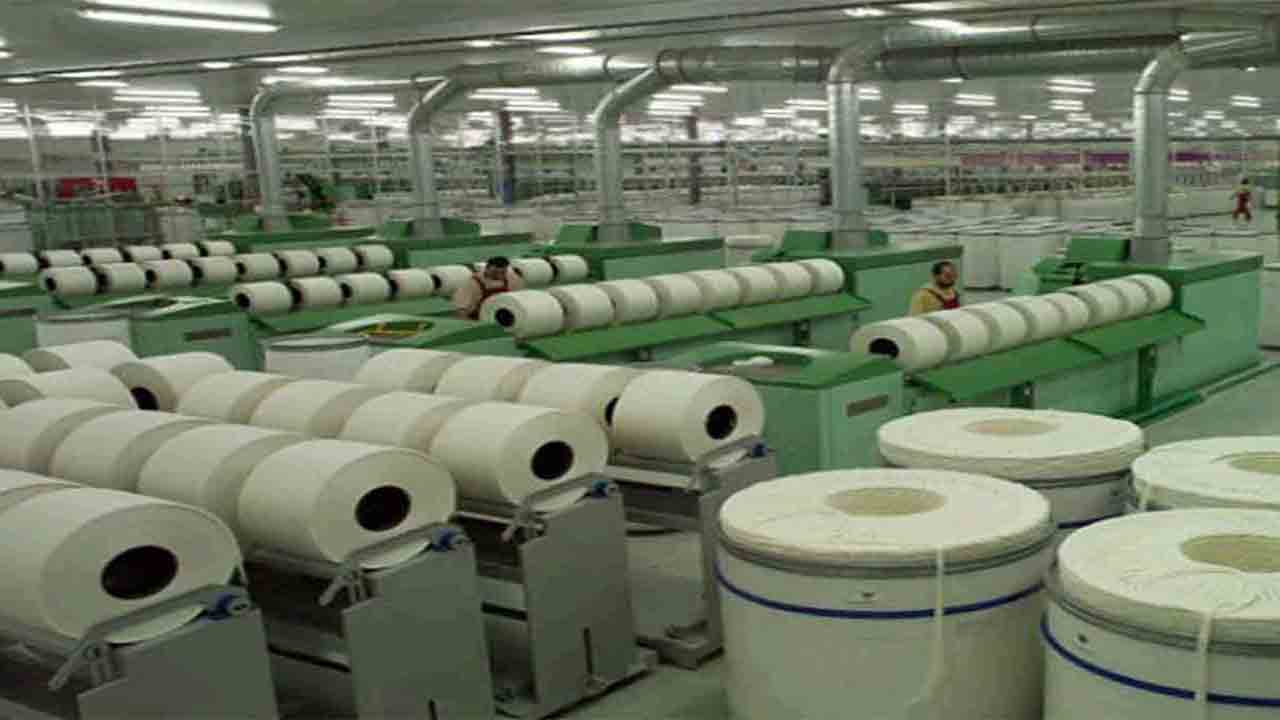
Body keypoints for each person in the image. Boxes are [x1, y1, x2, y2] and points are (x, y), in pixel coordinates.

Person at [453, 256, 523, 320]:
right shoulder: (472, 284)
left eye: (503, 273)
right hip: (479, 320)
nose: (499, 275)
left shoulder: (511, 278)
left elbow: (519, 300)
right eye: (495, 272)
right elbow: (461, 311)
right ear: (487, 268)